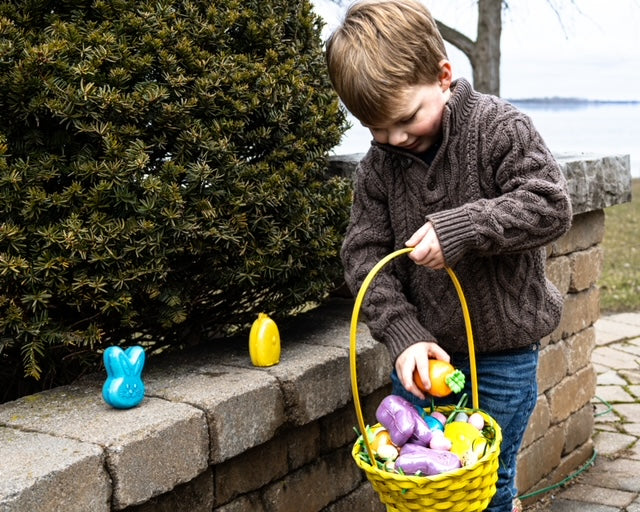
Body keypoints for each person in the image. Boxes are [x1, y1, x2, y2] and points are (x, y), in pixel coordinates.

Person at [325, 1, 573, 511]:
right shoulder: (380, 168)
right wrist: (402, 335)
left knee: (486, 486)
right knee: (420, 483)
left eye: (406, 118)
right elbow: (364, 256)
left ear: (442, 76)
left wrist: (462, 227)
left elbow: (549, 204)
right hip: (419, 359)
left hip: (501, 357)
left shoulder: (500, 129)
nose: (394, 138)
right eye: (376, 128)